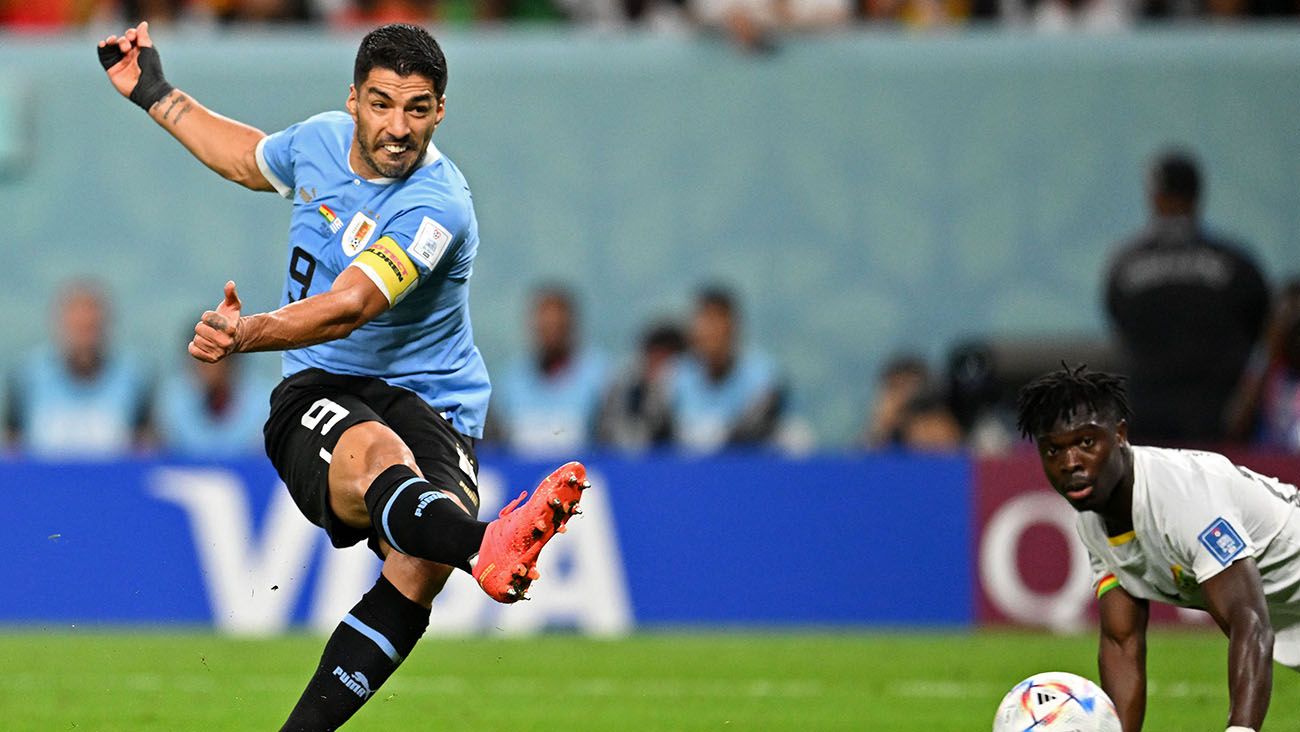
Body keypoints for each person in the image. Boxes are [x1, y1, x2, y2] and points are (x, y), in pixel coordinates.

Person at [98, 21, 589, 731]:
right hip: (319, 391)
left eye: (417, 108)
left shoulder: (437, 205)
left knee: (420, 567)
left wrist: (247, 332)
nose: (398, 127)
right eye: (382, 103)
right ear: (353, 99)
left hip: (434, 403)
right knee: (380, 460)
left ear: (441, 111)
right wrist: (152, 90)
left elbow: (352, 306)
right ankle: (488, 543)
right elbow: (244, 156)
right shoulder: (319, 141)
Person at [1016, 365, 1300, 732]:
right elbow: (1122, 642)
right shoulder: (1092, 520)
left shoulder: (1183, 495)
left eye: (1086, 443)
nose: (1071, 463)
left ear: (1119, 434)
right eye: (1054, 450)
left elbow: (1250, 621)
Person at [1104, 149, 1270, 445]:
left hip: (1148, 417)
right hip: (1216, 419)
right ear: (1197, 195)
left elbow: (1118, 320)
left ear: (1154, 196)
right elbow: (1259, 326)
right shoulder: (1235, 263)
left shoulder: (1126, 264)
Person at [6, 279, 152, 457]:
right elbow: (12, 449)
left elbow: (145, 449)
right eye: (78, 325)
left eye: (91, 326)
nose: (85, 334)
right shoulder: (27, 377)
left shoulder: (134, 378)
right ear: (60, 323)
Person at [492, 284, 608, 456]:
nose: (550, 335)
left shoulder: (599, 377)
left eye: (557, 327)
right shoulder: (511, 382)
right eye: (545, 327)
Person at [670, 285, 784, 452]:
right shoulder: (674, 375)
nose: (711, 331)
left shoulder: (762, 376)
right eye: (704, 320)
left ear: (734, 327)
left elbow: (754, 429)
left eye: (717, 320)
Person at [595, 320, 684, 450]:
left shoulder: (680, 395)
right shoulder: (625, 389)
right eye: (653, 358)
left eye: (664, 361)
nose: (658, 370)